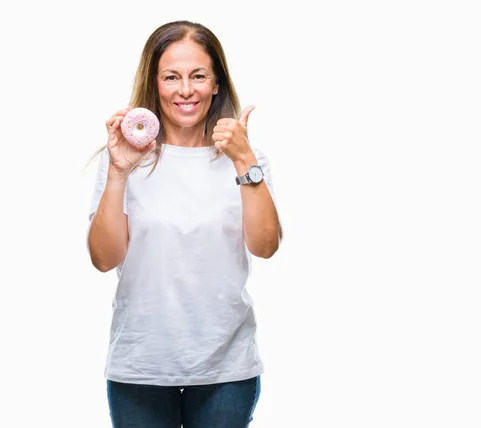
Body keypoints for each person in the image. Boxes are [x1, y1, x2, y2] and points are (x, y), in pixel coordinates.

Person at [86, 20, 282, 428]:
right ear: (154, 83)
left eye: (198, 76)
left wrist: (245, 162)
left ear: (216, 83)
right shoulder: (123, 157)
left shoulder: (247, 157)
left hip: (226, 370)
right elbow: (104, 259)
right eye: (171, 77)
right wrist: (119, 174)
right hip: (141, 366)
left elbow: (265, 246)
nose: (186, 90)